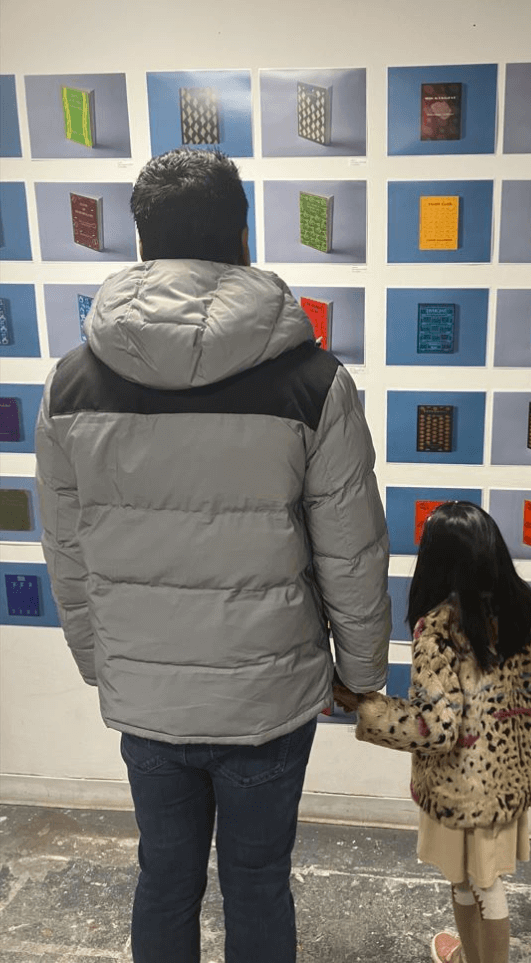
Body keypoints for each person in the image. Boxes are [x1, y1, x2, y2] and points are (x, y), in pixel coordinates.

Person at [35, 147, 391, 963]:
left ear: (142, 242)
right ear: (241, 237)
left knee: (164, 879)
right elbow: (351, 549)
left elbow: (67, 549)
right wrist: (361, 670)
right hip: (269, 696)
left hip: (147, 695)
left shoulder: (71, 385)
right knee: (258, 881)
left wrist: (100, 663)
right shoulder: (313, 382)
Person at [334, 501, 531, 963]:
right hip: (508, 782)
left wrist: (367, 708)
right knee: (488, 883)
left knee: (466, 883)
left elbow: (433, 729)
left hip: (458, 788)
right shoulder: (526, 612)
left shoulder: (438, 629)